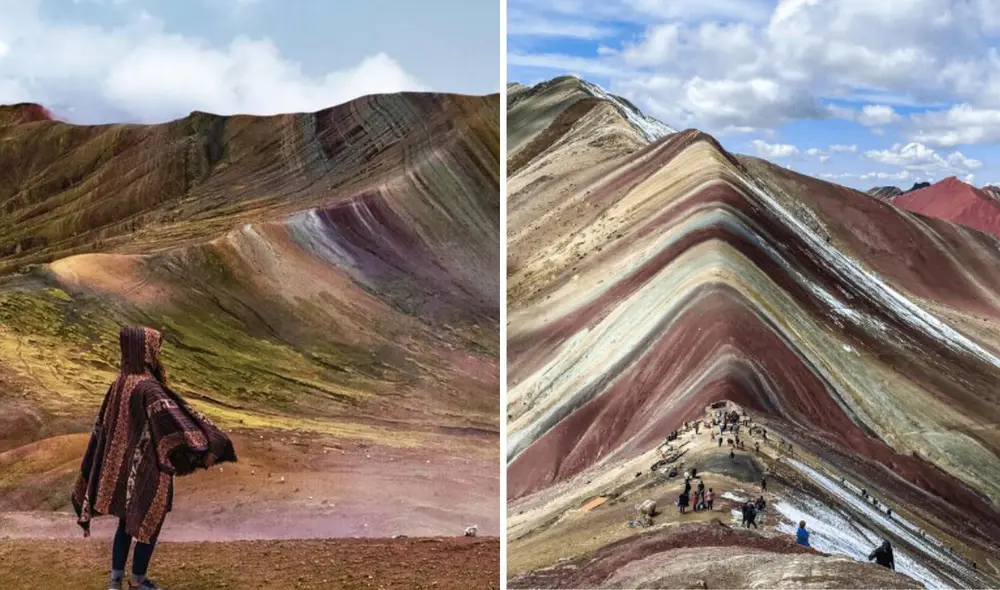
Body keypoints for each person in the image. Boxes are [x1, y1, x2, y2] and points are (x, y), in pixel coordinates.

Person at [72, 326, 238, 590]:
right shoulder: (148, 387)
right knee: (150, 519)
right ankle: (138, 581)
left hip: (121, 469)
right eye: (154, 348)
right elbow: (176, 417)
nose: (156, 354)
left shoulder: (119, 383)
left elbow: (103, 427)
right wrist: (209, 439)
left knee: (127, 522)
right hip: (149, 467)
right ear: (144, 350)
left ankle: (115, 582)